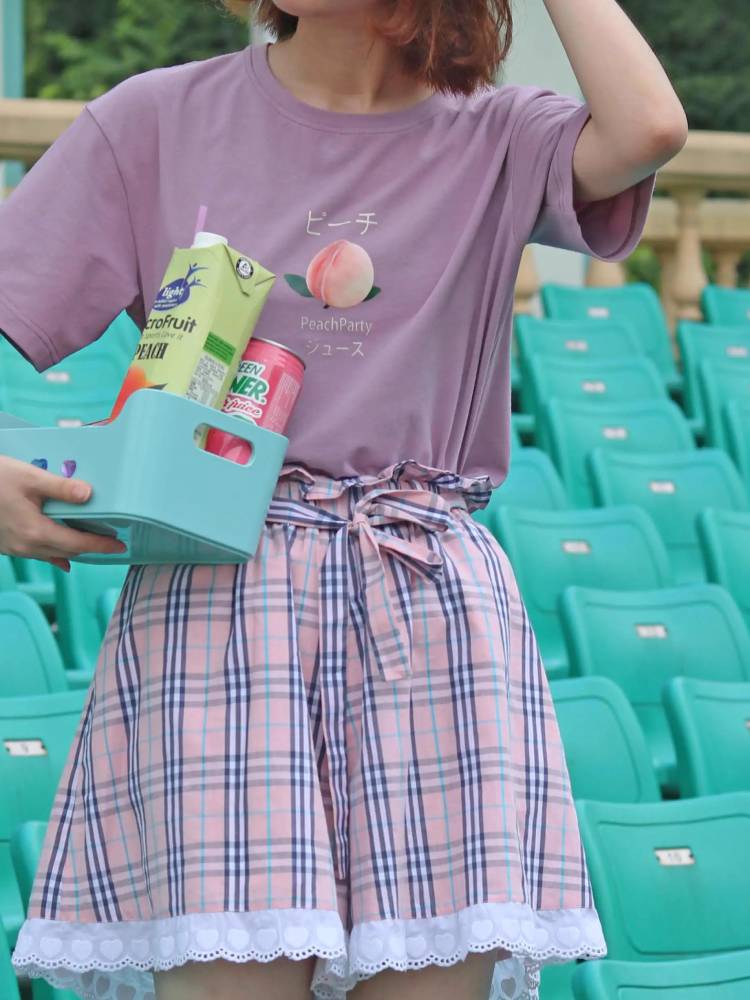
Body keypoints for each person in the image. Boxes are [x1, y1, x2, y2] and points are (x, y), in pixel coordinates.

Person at [0, 1, 687, 998]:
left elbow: (650, 129)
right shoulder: (154, 120)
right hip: (220, 593)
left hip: (429, 600)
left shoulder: (501, 134)